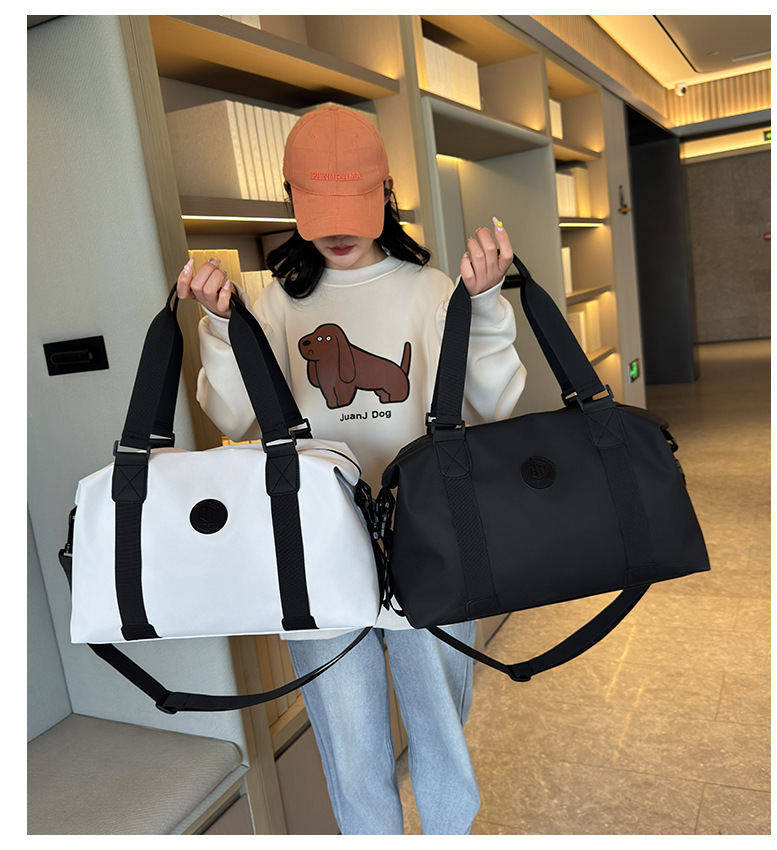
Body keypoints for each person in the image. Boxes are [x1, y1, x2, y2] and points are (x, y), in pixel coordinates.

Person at [177, 105, 526, 835]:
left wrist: (487, 303)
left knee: (440, 726)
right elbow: (233, 416)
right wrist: (222, 324)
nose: (338, 230)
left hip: (429, 536)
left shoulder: (431, 291)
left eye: (355, 206)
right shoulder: (276, 303)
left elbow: (495, 401)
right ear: (290, 198)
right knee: (350, 739)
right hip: (317, 544)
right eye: (319, 208)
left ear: (388, 192)